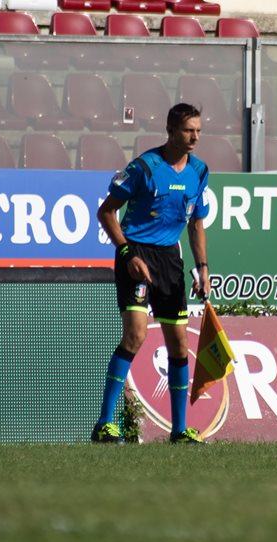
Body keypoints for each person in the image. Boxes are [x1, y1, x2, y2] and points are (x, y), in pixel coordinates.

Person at [92, 103, 211, 444]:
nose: (195, 137)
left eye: (198, 130)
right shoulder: (144, 167)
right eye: (188, 130)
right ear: (171, 131)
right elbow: (106, 212)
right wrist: (126, 252)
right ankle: (104, 423)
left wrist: (202, 268)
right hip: (136, 254)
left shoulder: (199, 171)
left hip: (170, 258)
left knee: (180, 344)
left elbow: (196, 223)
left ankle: (179, 430)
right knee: (136, 335)